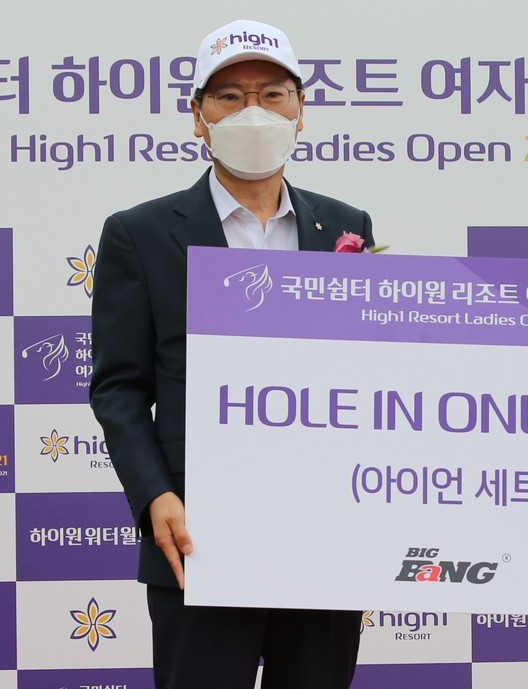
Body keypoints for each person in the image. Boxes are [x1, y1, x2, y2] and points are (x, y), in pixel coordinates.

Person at [90, 19, 371, 689]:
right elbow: (119, 387)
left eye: (272, 94)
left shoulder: (346, 226)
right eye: (229, 97)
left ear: (300, 111)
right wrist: (156, 495)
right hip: (198, 537)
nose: (254, 112)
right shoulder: (139, 234)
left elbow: (364, 373)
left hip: (322, 533)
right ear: (198, 117)